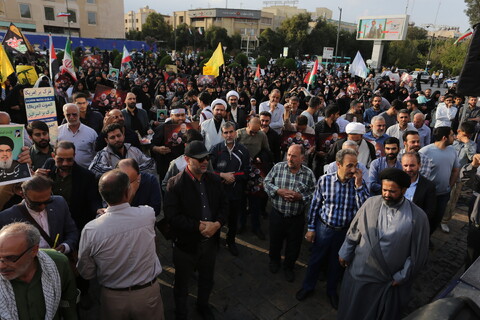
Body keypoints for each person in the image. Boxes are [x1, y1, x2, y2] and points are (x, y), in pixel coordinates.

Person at [337, 168, 429, 320]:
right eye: (384, 190)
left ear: (404, 190)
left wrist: (401, 276)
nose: (386, 195)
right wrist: (345, 252)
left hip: (387, 280)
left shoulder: (418, 217)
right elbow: (354, 230)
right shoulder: (370, 203)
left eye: (392, 191)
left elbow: (417, 254)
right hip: (360, 272)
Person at [77, 170, 164, 320]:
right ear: (128, 191)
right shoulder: (147, 214)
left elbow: (86, 272)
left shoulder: (92, 229)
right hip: (147, 295)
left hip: (113, 299)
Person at [296, 149, 368, 309]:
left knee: (337, 264)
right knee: (315, 260)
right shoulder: (325, 181)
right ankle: (308, 287)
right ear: (338, 165)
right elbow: (314, 206)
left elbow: (364, 208)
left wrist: (359, 186)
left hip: (344, 232)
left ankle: (331, 291)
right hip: (324, 229)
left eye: (355, 166)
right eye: (349, 165)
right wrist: (311, 228)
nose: (353, 170)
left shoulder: (359, 184)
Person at [164, 141, 228, 320]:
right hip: (185, 246)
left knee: (207, 279)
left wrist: (217, 224)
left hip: (210, 245)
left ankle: (203, 305)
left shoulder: (214, 180)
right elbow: (172, 216)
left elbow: (224, 206)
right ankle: (181, 313)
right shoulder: (174, 184)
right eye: (199, 159)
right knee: (182, 284)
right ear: (186, 159)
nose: (205, 162)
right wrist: (197, 226)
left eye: (206, 157)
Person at [0, 222, 78, 320]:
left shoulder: (58, 263)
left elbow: (68, 303)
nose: (1, 266)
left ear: (33, 251)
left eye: (10, 258)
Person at [264, 144, 316, 282]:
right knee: (275, 241)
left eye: (294, 156)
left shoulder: (308, 174)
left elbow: (314, 193)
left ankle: (289, 267)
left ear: (302, 158)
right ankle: (274, 261)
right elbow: (266, 182)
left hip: (296, 218)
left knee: (294, 245)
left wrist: (300, 197)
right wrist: (278, 191)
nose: (290, 158)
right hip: (277, 214)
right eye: (288, 154)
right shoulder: (278, 167)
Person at [0, 175, 79, 254]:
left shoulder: (59, 203)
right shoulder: (6, 217)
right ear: (23, 195)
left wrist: (65, 246)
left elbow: (72, 232)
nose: (42, 206)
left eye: (47, 201)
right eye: (35, 203)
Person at [38, 141, 101, 231]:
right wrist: (35, 178)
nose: (65, 164)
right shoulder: (49, 166)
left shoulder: (86, 176)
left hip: (74, 223)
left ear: (74, 156)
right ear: (53, 156)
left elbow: (93, 199)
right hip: (48, 220)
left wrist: (98, 209)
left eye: (69, 160)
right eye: (60, 160)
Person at [210, 122, 251, 256]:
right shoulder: (215, 149)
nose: (229, 135)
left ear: (236, 133)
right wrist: (222, 175)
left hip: (235, 193)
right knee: (216, 219)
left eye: (231, 132)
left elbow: (247, 171)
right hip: (218, 193)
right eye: (226, 132)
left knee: (233, 220)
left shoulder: (243, 150)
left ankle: (231, 241)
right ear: (222, 134)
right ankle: (215, 242)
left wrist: (232, 177)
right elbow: (209, 171)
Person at [419, 127, 460, 235]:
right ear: (444, 138)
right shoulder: (425, 151)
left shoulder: (452, 151)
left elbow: (456, 170)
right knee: (424, 220)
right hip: (427, 195)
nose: (454, 137)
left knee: (436, 219)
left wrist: (449, 186)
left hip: (443, 194)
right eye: (452, 135)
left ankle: (428, 237)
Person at [442, 121, 477, 233]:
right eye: (465, 134)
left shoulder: (472, 144)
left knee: (452, 199)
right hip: (444, 173)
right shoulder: (451, 141)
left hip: (458, 177)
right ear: (459, 131)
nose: (468, 137)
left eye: (470, 135)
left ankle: (444, 221)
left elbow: (472, 158)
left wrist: (467, 142)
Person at [89, 123, 156, 178]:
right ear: (107, 140)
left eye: (119, 135)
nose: (117, 139)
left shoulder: (134, 150)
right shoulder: (103, 154)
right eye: (112, 137)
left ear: (123, 136)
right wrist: (120, 173)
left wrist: (133, 171)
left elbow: (150, 163)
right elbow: (94, 169)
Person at [152, 108, 189, 180]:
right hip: (166, 166)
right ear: (171, 116)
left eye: (183, 115)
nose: (181, 118)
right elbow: (152, 144)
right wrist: (157, 148)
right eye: (177, 115)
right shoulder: (162, 128)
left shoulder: (189, 126)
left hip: (185, 166)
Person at [57, 103, 97, 168]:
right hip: (64, 171)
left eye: (74, 114)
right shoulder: (57, 131)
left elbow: (96, 154)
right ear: (64, 115)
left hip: (86, 173)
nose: (71, 117)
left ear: (79, 114)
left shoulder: (91, 133)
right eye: (68, 115)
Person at [402, 152, 437, 225]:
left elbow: (429, 212)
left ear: (419, 165)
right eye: (405, 165)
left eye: (412, 165)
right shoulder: (395, 183)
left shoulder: (428, 186)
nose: (408, 169)